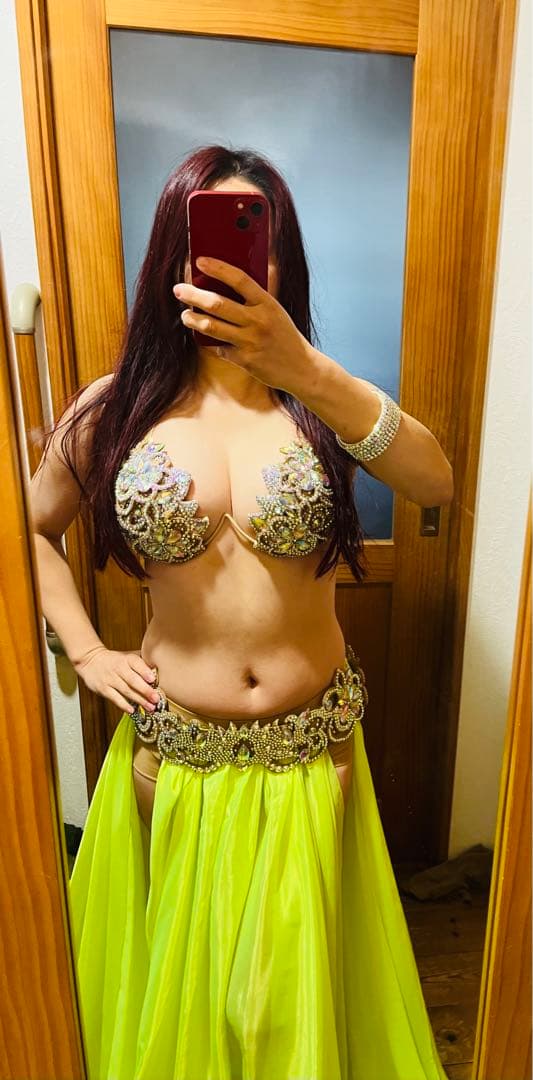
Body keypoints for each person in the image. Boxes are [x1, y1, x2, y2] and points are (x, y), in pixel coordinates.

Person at [31, 145, 453, 1080]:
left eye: (252, 236)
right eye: (206, 234)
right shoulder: (117, 407)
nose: (230, 260)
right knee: (188, 1014)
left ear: (280, 255)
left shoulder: (320, 400)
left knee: (286, 1011)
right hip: (171, 759)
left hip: (313, 758)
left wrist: (307, 369)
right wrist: (85, 649)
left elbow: (433, 482)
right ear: (171, 253)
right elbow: (27, 530)